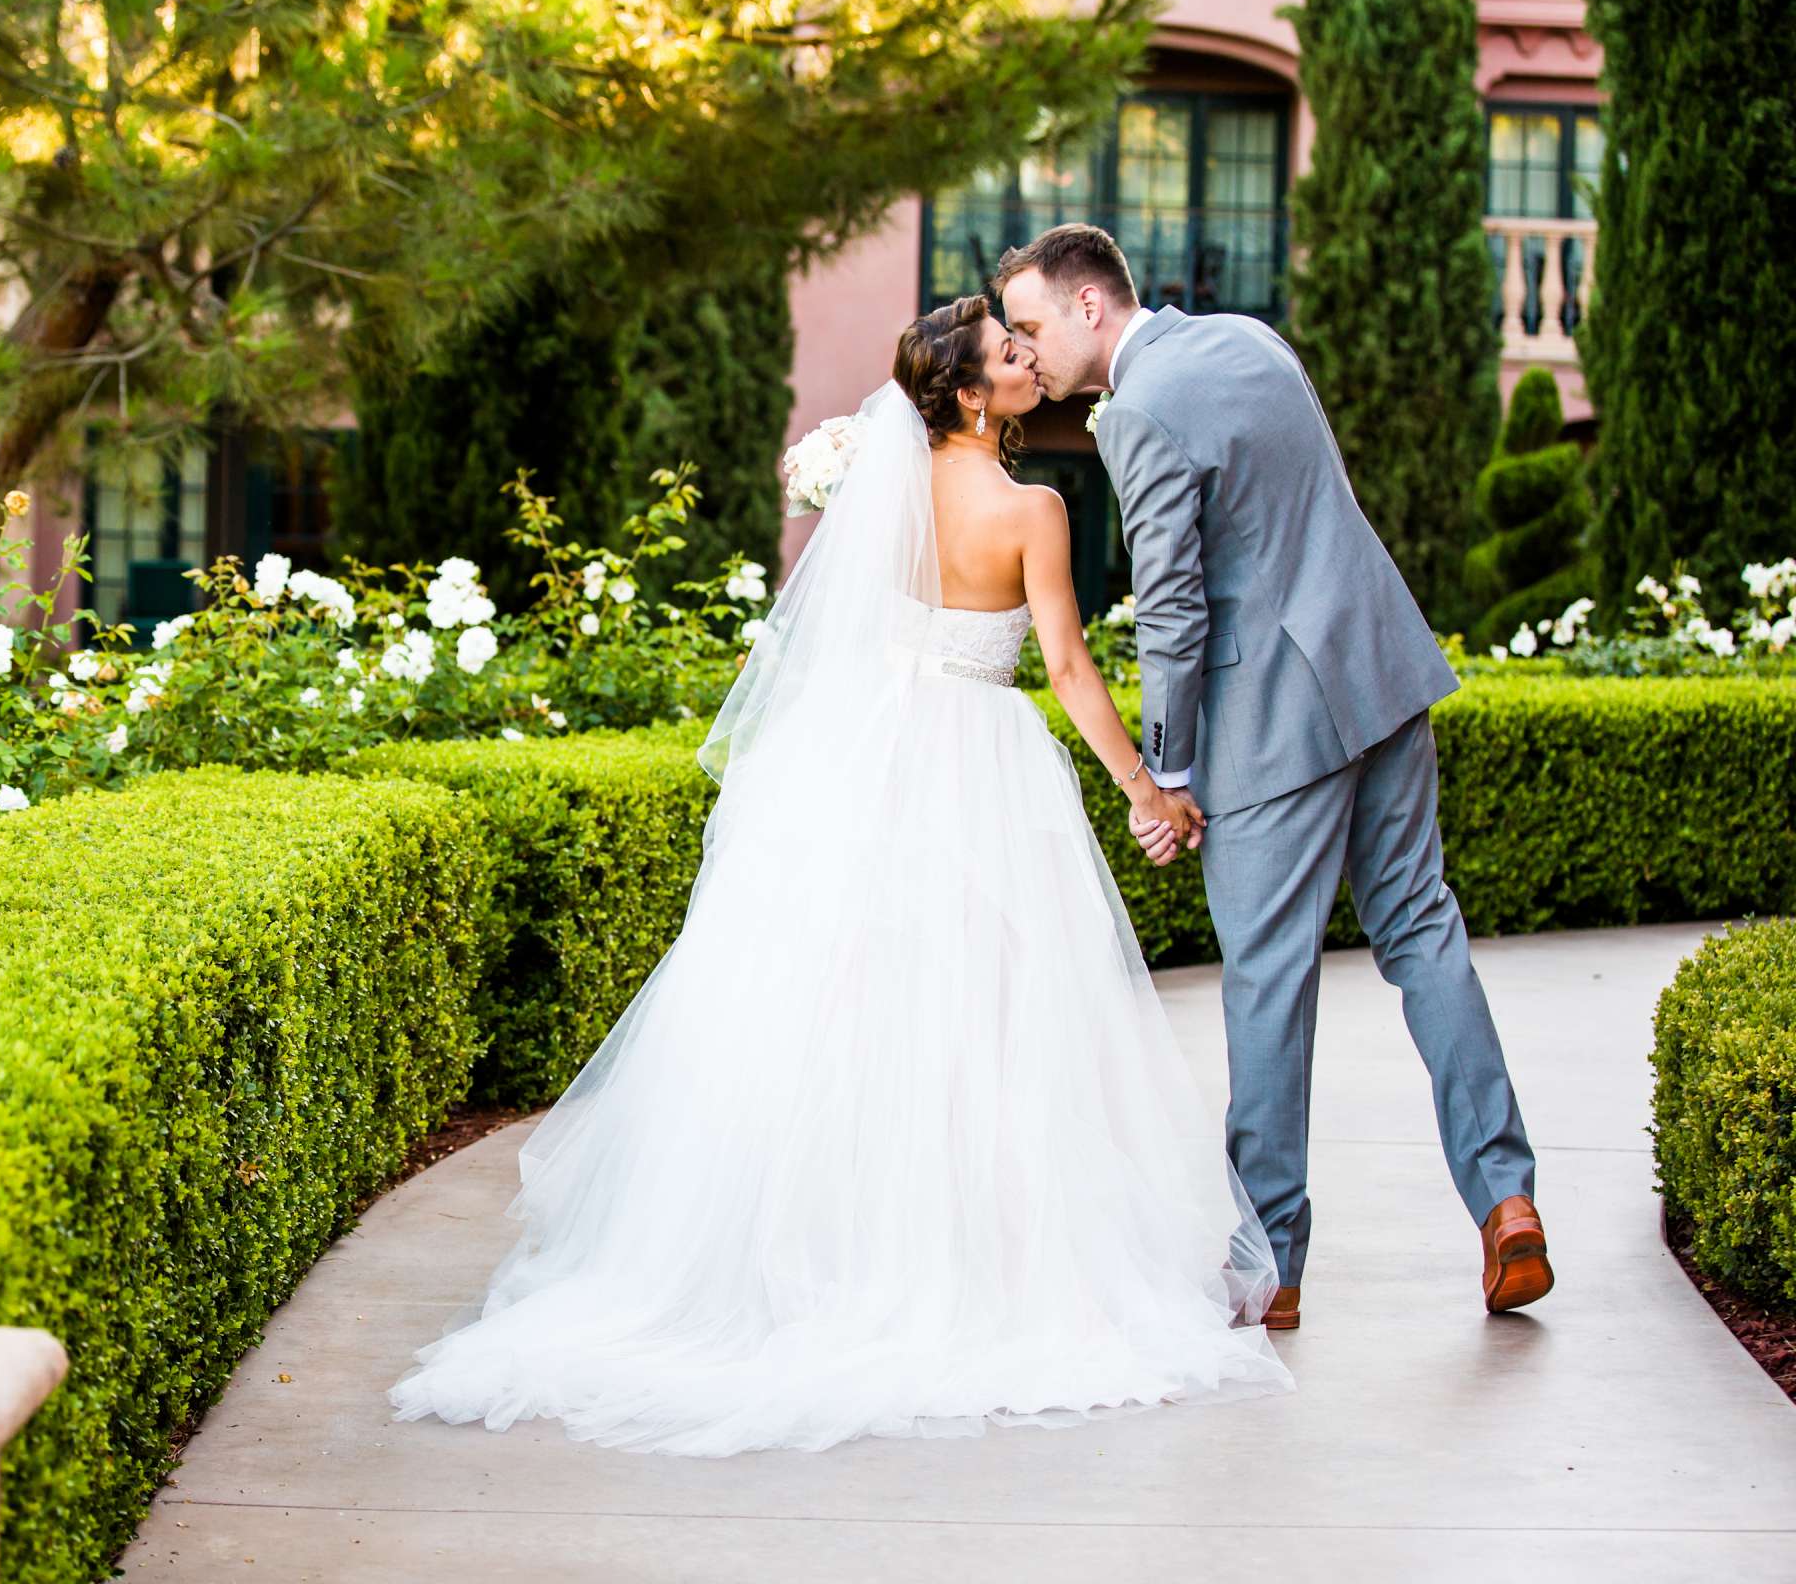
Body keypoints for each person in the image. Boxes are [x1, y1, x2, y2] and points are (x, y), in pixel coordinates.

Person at [385, 295, 1293, 1456]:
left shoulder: (888, 493)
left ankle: (833, 1252)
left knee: (850, 1008)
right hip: (979, 763)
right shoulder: (1034, 508)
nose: (1029, 361)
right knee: (989, 1020)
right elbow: (1064, 663)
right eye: (1010, 354)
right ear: (971, 393)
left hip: (869, 757)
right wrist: (1142, 786)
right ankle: (968, 1262)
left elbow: (851, 637)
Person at [988, 223, 1550, 1328]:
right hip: (1380, 671)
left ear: (1090, 306)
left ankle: (1272, 1262)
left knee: (1268, 980)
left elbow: (1175, 611)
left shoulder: (1138, 412)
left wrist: (1169, 772)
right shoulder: (1252, 338)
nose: (1025, 348)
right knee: (1422, 930)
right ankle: (1508, 1197)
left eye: (1032, 324)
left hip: (1269, 729)